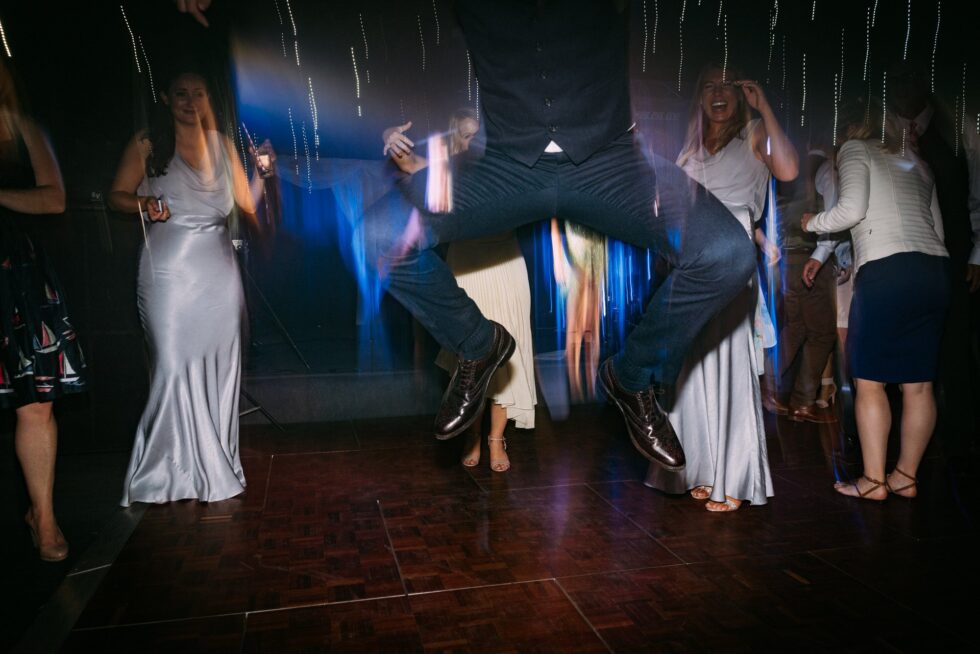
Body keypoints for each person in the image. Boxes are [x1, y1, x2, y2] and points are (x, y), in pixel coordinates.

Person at [359, 2, 757, 471]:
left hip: (610, 160)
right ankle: (478, 344)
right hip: (503, 162)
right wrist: (386, 121)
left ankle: (633, 377)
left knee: (727, 253)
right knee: (378, 236)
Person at [109, 70, 271, 505]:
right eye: (180, 93)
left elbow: (247, 203)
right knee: (172, 365)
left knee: (220, 367)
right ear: (165, 97)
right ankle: (164, 471)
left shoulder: (223, 145)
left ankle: (213, 465)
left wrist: (262, 173)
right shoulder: (149, 143)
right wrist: (143, 203)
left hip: (218, 271)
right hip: (168, 272)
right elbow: (116, 196)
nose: (189, 101)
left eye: (198, 93)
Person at [645, 64, 797, 512]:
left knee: (730, 364)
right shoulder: (689, 151)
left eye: (727, 86)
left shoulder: (753, 134)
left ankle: (734, 477)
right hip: (690, 263)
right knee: (692, 366)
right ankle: (697, 468)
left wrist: (763, 105)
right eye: (709, 84)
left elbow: (787, 171)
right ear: (698, 97)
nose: (718, 93)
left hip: (731, 263)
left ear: (741, 94)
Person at [802, 98, 950, 501]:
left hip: (888, 270)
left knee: (869, 382)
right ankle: (905, 475)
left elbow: (851, 209)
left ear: (850, 127)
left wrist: (810, 222)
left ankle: (873, 481)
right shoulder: (918, 163)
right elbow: (936, 227)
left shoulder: (855, 149)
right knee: (919, 385)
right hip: (934, 271)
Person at [384, 108, 536, 472]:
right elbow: (406, 163)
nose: (474, 141)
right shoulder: (448, 170)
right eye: (466, 134)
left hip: (506, 265)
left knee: (507, 361)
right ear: (456, 139)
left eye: (480, 133)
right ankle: (471, 436)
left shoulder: (511, 168)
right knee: (471, 360)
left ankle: (496, 439)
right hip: (466, 265)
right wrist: (390, 136)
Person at [0, 59, 87, 561]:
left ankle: (45, 519)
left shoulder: (25, 130)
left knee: (36, 401)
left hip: (17, 275)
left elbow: (55, 200)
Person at [888, 61, 980, 464]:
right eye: (896, 78)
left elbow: (976, 193)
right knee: (898, 352)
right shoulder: (881, 132)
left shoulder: (959, 130)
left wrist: (978, 254)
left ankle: (960, 442)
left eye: (911, 76)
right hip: (899, 255)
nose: (903, 85)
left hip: (955, 254)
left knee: (955, 349)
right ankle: (893, 446)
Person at [550, 218, 606, 402]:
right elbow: (554, 220)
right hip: (575, 244)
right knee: (576, 323)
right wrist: (557, 257)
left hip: (594, 243)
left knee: (592, 326)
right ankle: (575, 384)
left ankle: (590, 383)